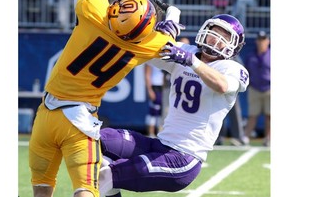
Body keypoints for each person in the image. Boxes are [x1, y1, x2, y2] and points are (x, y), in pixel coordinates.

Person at [28, 0, 185, 197]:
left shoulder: (94, 12)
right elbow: (172, 29)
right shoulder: (146, 44)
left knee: (42, 188)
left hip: (46, 113)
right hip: (79, 120)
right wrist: (171, 17)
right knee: (86, 190)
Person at [98, 14, 249, 197]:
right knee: (97, 142)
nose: (215, 39)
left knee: (106, 176)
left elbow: (222, 85)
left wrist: (192, 62)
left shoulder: (232, 69)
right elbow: (144, 49)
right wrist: (155, 33)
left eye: (224, 37)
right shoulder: (187, 51)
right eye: (214, 32)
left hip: (184, 158)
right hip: (160, 144)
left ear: (233, 46)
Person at [243, 30, 270, 146]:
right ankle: (245, 137)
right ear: (256, 41)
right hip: (254, 88)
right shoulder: (250, 56)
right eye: (259, 40)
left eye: (263, 40)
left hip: (270, 88)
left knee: (270, 115)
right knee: (252, 115)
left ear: (267, 41)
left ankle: (269, 139)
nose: (261, 42)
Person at [144, 63, 164, 137]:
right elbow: (147, 75)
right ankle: (151, 133)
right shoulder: (150, 60)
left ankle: (159, 132)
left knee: (161, 111)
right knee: (153, 110)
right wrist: (149, 90)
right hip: (154, 86)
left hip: (163, 87)